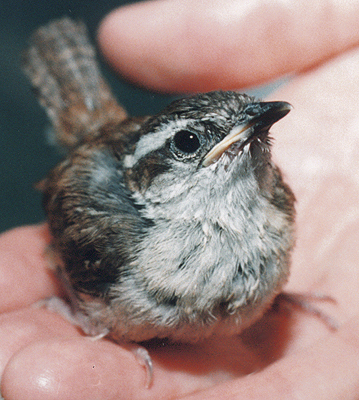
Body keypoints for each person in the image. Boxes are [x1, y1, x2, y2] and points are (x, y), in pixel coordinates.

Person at [2, 0, 359, 398]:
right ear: (150, 176)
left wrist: (272, 296)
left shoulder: (273, 202)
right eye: (189, 143)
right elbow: (63, 254)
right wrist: (75, 306)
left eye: (253, 130)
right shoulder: (111, 231)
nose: (249, 135)